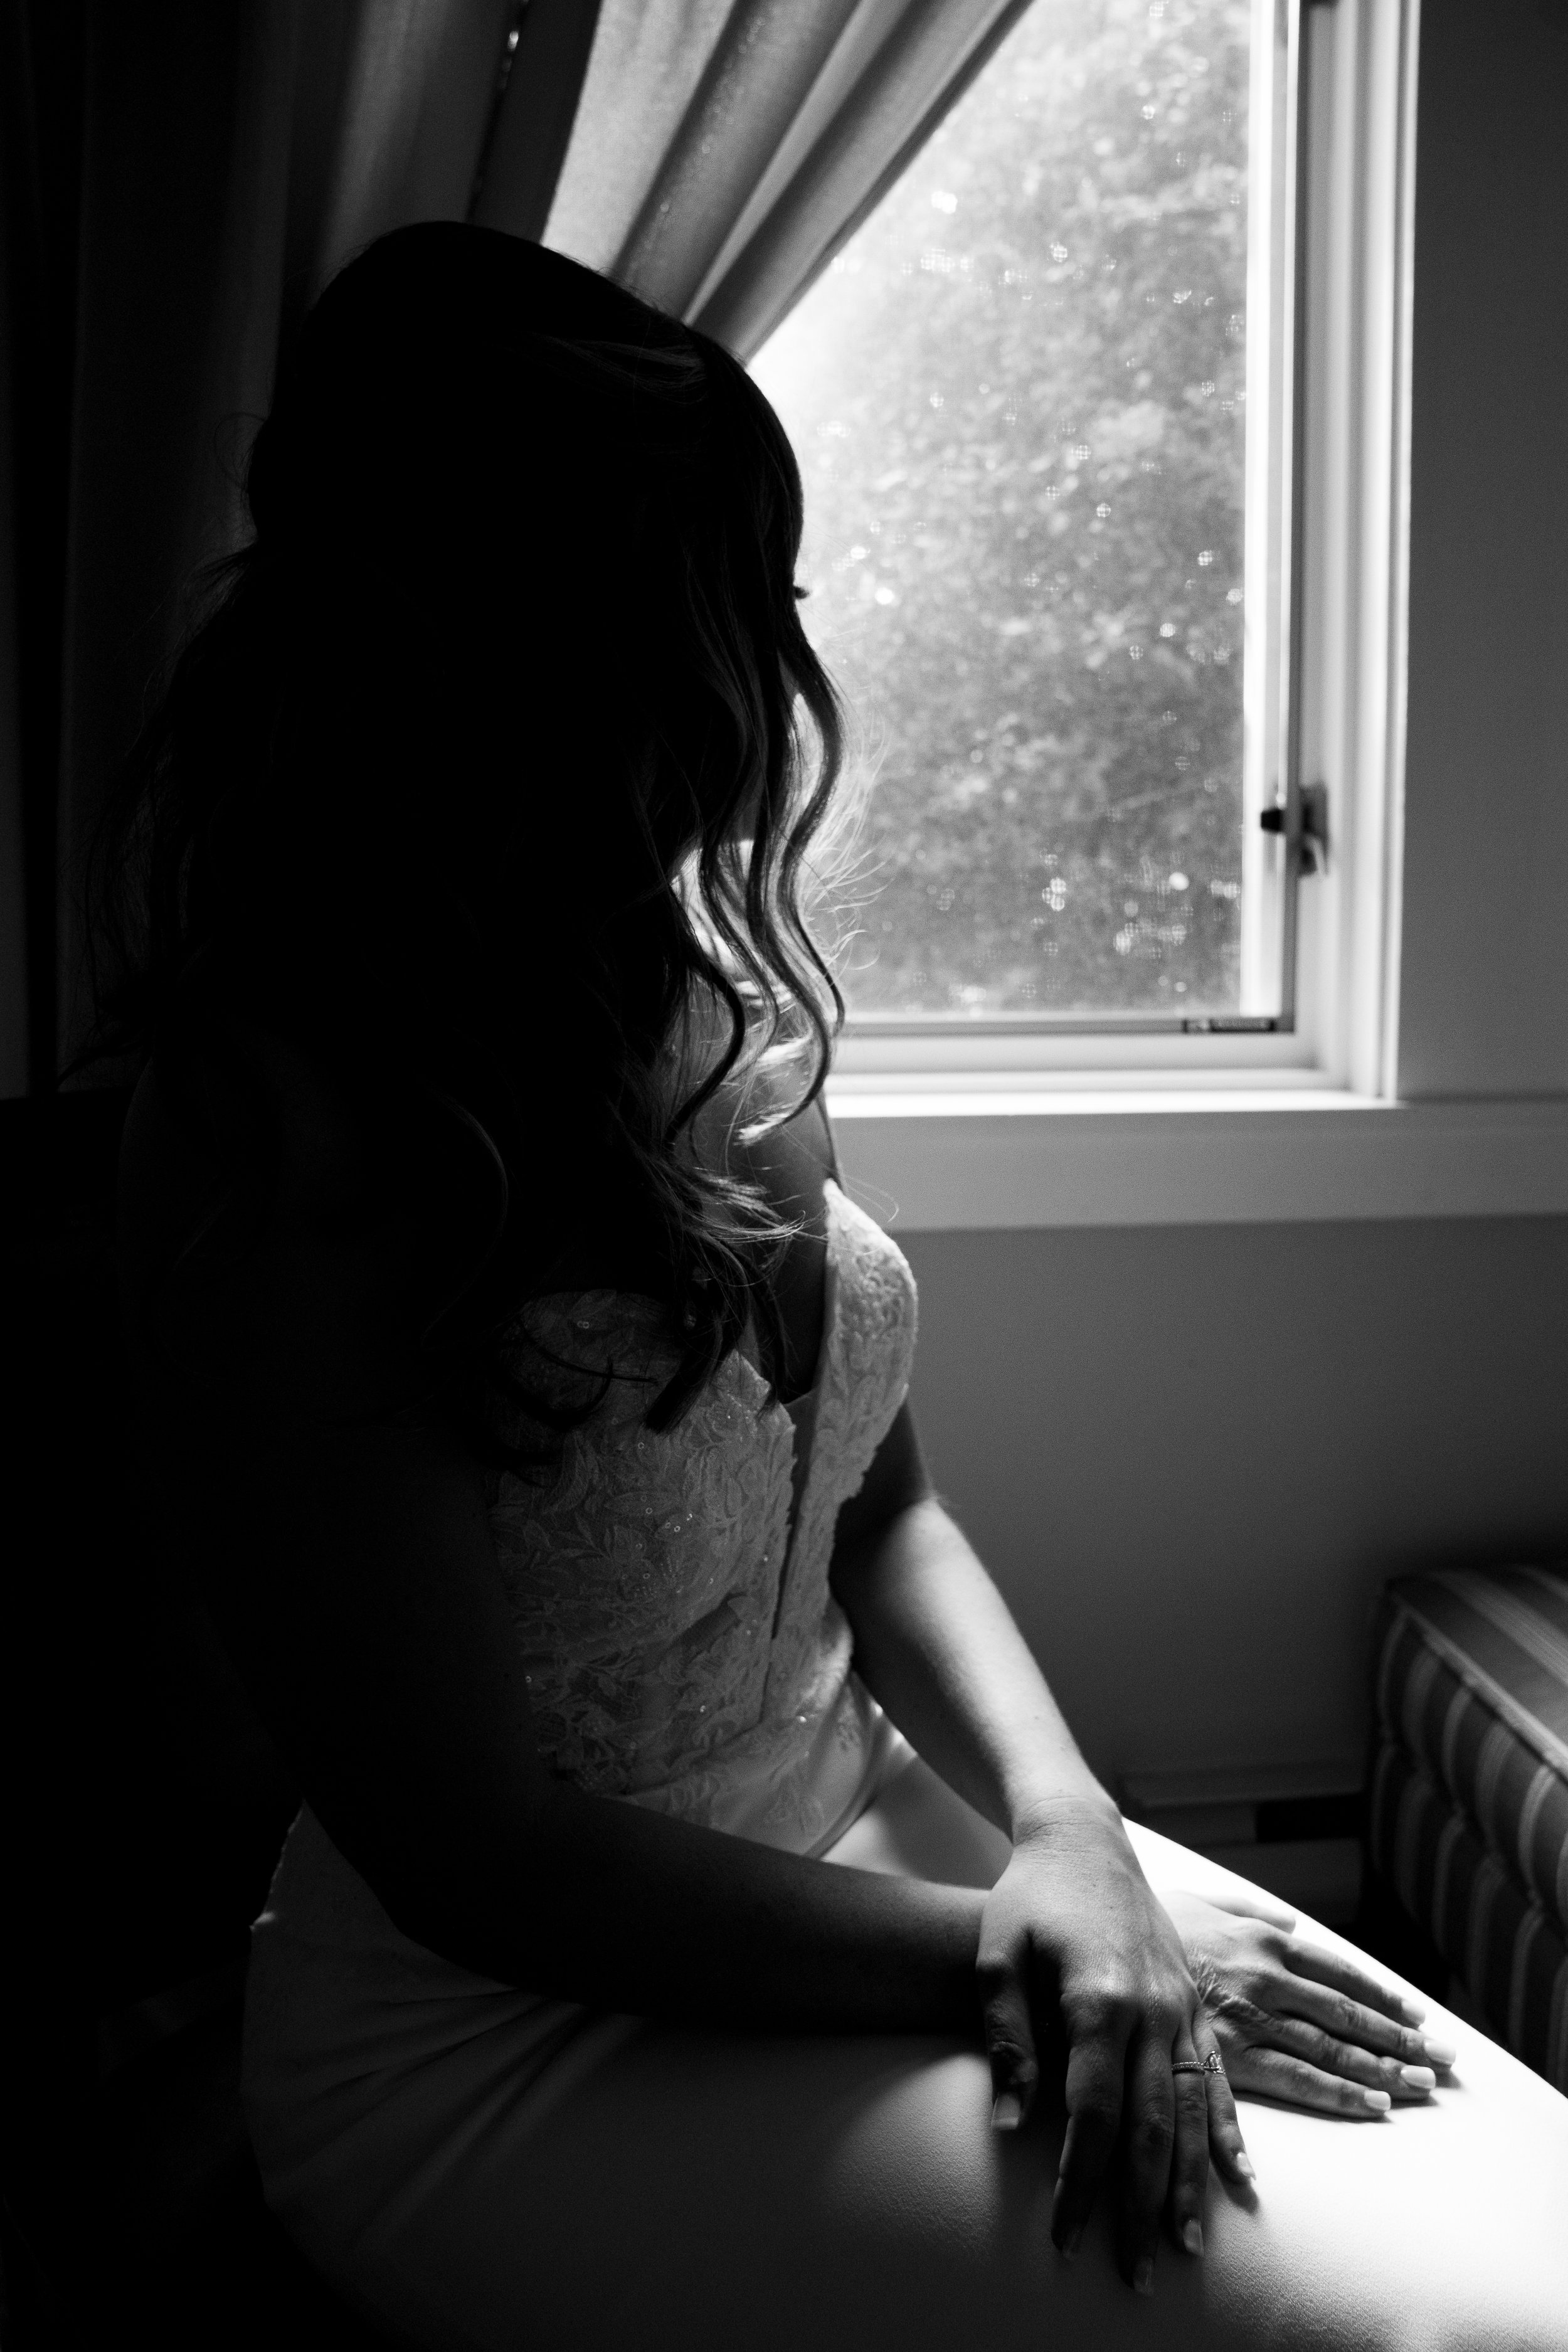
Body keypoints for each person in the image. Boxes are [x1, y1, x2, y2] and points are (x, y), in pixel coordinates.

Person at [91, 225, 1568, 2351]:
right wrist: (1010, 1949)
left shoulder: (699, 1000)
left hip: (885, 1831)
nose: (776, 675)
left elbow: (889, 1514)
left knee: (1523, 2225)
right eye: (719, 611)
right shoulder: (274, 1140)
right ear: (523, 654)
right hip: (512, 2025)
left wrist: (1074, 1847)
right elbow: (476, 1856)